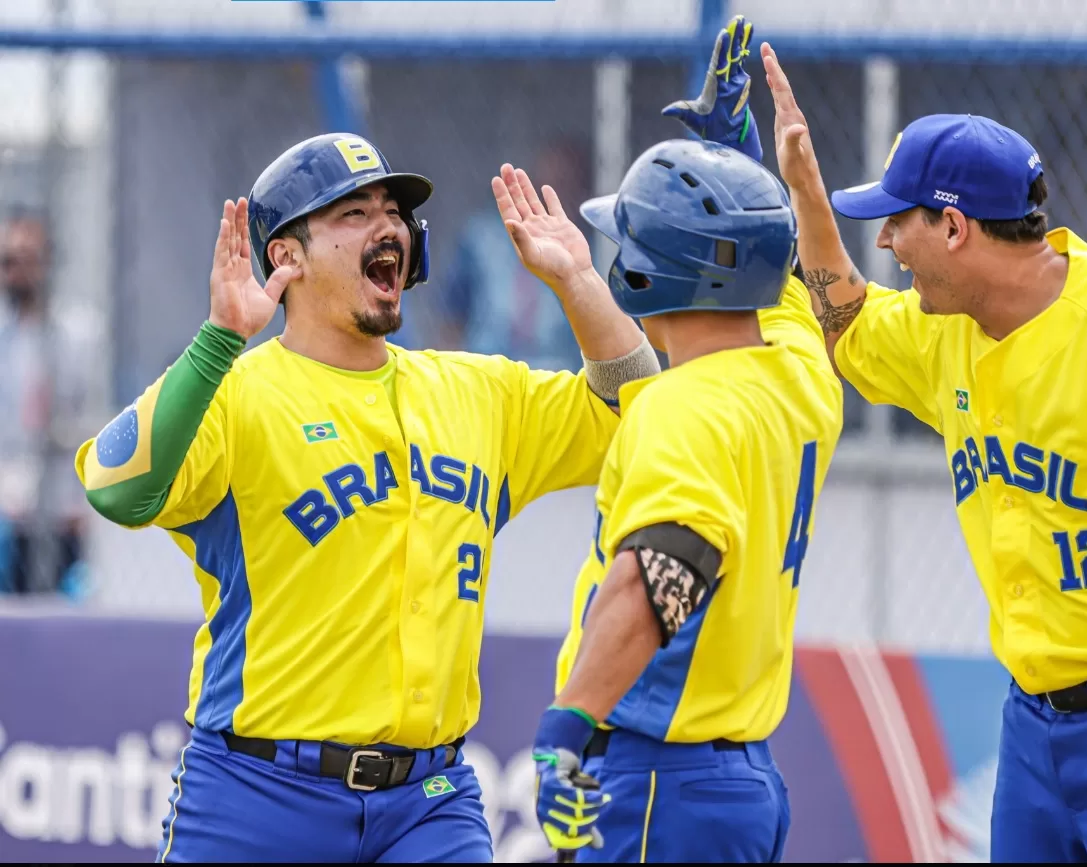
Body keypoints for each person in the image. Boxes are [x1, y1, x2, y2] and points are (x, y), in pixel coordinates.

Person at [761, 42, 1087, 863]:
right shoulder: (947, 331)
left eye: (898, 222)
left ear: (953, 226)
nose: (887, 245)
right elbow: (847, 326)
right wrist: (803, 190)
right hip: (1035, 729)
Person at [75, 132, 659, 862]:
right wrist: (220, 339)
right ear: (287, 256)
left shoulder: (477, 393)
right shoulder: (235, 394)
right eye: (352, 213)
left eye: (392, 210)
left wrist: (578, 282)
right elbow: (116, 488)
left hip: (431, 803)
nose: (387, 225)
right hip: (257, 793)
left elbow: (641, 417)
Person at [529, 18, 845, 863]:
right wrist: (738, 150)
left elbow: (660, 576)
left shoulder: (681, 405)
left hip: (655, 781)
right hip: (740, 780)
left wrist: (569, 723)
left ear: (649, 274)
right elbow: (772, 280)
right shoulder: (802, 374)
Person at [0, 210, 99, 595]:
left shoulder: (78, 335)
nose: (16, 272)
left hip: (60, 507)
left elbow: (93, 417)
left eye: (28, 260)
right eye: (8, 261)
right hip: (7, 511)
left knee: (59, 611)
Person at [434, 139, 589, 372]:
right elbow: (452, 316)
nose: (557, 195)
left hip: (559, 376)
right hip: (485, 371)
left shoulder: (588, 251)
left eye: (566, 186)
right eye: (545, 188)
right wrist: (447, 375)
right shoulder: (481, 238)